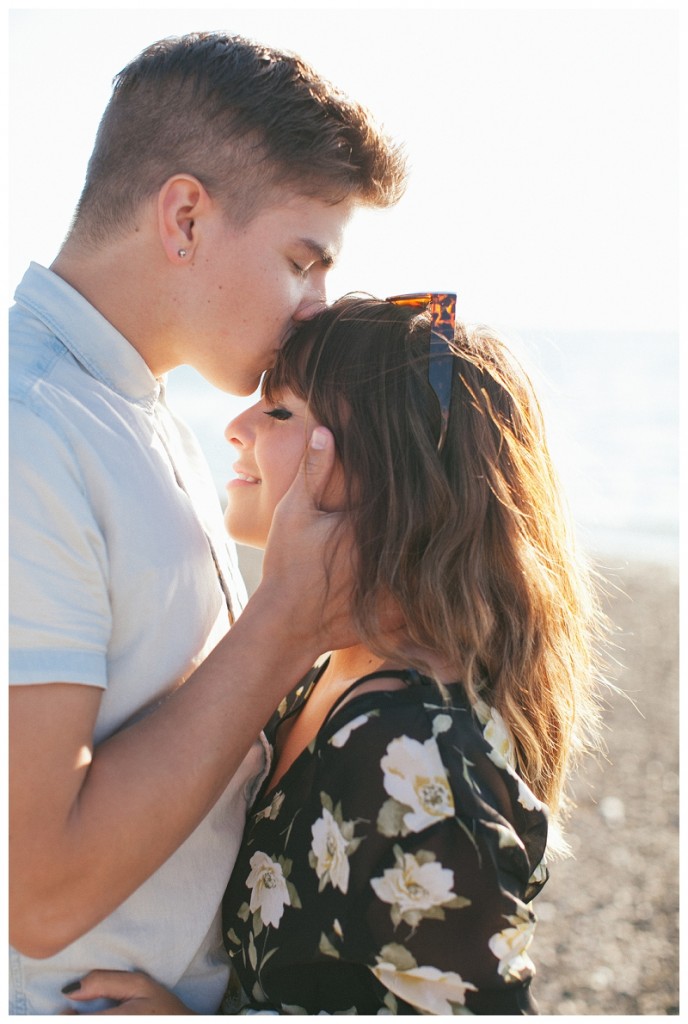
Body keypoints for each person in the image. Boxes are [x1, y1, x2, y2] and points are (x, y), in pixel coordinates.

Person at [63, 294, 607, 1015]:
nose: (234, 427)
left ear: (385, 469)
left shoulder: (421, 754)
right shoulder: (323, 670)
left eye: (281, 412)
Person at [8, 33, 406, 1015]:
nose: (315, 309)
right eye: (300, 261)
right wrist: (284, 624)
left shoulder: (131, 408)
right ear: (184, 215)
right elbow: (37, 890)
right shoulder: (30, 432)